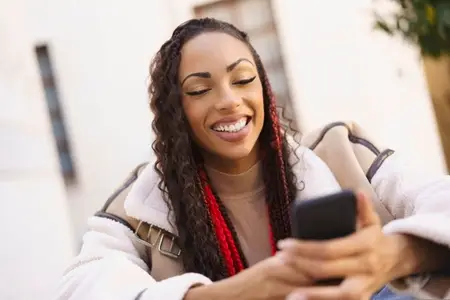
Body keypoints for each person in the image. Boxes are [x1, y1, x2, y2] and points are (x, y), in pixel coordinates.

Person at [57, 18, 450, 300]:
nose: (229, 101)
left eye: (243, 80)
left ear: (264, 88)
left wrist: (393, 256)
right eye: (199, 90)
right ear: (174, 111)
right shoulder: (142, 206)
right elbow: (82, 285)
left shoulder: (341, 154)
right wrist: (243, 291)